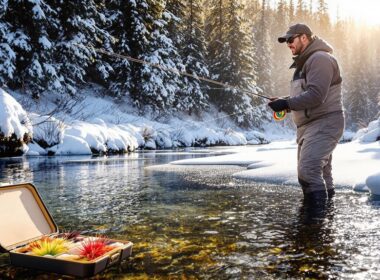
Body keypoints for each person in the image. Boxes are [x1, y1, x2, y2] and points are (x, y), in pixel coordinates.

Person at [268, 23, 344, 202]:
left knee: (308, 171)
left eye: (290, 39)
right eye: (286, 41)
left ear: (304, 38)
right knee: (321, 174)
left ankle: (313, 222)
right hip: (309, 127)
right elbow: (305, 94)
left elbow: (316, 95)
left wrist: (286, 102)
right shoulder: (305, 63)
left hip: (324, 124)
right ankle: (325, 221)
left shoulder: (320, 59)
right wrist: (284, 103)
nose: (288, 44)